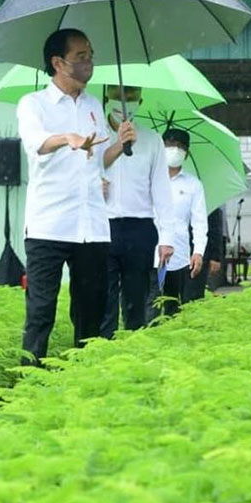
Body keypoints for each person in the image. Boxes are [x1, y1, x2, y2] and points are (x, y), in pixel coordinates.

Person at [17, 28, 110, 364]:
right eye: (80, 57)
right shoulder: (33, 104)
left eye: (90, 56)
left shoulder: (94, 105)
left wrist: (121, 143)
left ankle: (83, 377)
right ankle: (30, 379)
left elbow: (100, 159)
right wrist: (66, 138)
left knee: (91, 312)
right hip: (49, 225)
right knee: (41, 310)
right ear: (58, 63)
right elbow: (37, 143)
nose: (89, 63)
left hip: (91, 225)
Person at [99, 85, 175, 338]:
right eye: (117, 95)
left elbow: (161, 189)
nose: (124, 101)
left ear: (140, 101)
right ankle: (103, 349)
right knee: (104, 299)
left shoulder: (152, 140)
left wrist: (167, 237)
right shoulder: (95, 136)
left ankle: (132, 347)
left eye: (131, 96)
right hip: (102, 225)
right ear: (106, 96)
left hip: (140, 227)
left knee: (136, 300)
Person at [153, 128, 208, 317]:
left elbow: (199, 221)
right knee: (149, 306)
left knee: (174, 307)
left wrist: (198, 251)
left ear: (187, 153)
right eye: (169, 145)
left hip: (179, 255)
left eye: (180, 146)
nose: (175, 149)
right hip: (149, 252)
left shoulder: (193, 185)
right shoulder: (149, 179)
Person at [184, 207, 225, 300]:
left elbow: (215, 229)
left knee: (194, 293)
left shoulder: (208, 204)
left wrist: (215, 257)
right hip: (177, 252)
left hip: (200, 253)